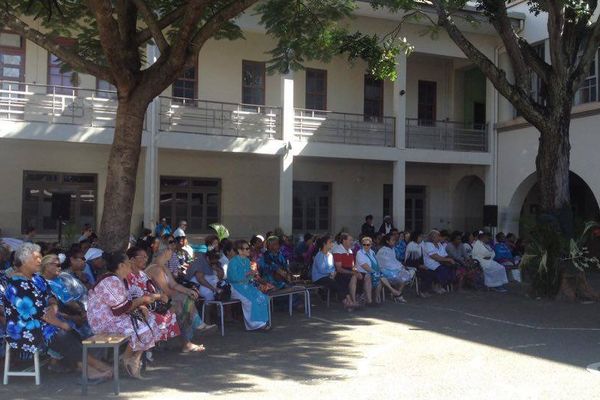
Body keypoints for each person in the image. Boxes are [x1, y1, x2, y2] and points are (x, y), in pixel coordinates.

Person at [5, 243, 112, 380]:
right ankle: (90, 367)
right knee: (62, 332)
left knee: (68, 331)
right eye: (36, 258)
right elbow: (36, 313)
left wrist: (54, 305)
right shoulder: (17, 285)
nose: (40, 261)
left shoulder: (36, 278)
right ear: (25, 261)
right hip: (25, 328)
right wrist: (60, 323)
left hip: (45, 321)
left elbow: (50, 295)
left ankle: (87, 367)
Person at [87, 251, 163, 378]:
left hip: (114, 318)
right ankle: (128, 359)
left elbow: (124, 305)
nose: (131, 264)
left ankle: (132, 358)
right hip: (103, 322)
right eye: (128, 262)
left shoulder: (119, 279)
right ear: (121, 265)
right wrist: (142, 300)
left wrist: (141, 305)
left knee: (149, 320)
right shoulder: (110, 280)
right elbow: (121, 308)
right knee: (143, 326)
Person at [145, 249, 215, 351]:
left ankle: (191, 335)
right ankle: (196, 328)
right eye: (168, 253)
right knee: (183, 303)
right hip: (156, 302)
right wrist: (184, 295)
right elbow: (167, 291)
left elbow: (174, 285)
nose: (170, 254)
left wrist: (188, 291)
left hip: (165, 299)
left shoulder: (163, 268)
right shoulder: (155, 269)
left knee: (185, 302)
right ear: (163, 254)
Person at [126, 247, 181, 344]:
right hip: (137, 307)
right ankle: (146, 347)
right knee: (156, 317)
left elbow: (151, 290)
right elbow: (131, 297)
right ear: (132, 259)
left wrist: (160, 296)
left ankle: (152, 345)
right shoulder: (128, 276)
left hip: (150, 304)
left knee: (171, 310)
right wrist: (157, 297)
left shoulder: (143, 274)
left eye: (146, 257)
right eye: (142, 257)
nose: (145, 260)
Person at [40, 254, 93, 339]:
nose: (60, 268)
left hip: (80, 313)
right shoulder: (41, 284)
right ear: (47, 266)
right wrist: (74, 317)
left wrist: (83, 313)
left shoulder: (63, 277)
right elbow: (47, 311)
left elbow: (76, 297)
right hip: (60, 322)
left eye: (60, 265)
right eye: (57, 265)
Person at [227, 240, 270, 331]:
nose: (248, 250)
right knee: (250, 301)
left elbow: (249, 277)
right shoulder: (233, 262)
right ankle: (255, 325)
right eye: (246, 249)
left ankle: (262, 321)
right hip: (236, 288)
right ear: (239, 250)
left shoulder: (247, 261)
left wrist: (252, 274)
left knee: (262, 297)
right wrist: (247, 274)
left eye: (248, 248)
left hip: (247, 286)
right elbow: (232, 278)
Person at [311, 235, 357, 310]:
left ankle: (348, 302)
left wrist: (333, 272)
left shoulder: (330, 255)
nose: (332, 244)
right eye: (330, 242)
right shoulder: (319, 255)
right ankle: (347, 301)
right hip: (319, 278)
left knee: (341, 279)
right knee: (335, 283)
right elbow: (321, 270)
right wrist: (331, 273)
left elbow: (332, 267)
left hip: (329, 277)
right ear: (324, 244)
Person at [377, 233, 415, 302]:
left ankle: (397, 293)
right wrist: (399, 267)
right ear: (387, 241)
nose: (394, 241)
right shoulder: (383, 251)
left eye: (395, 240)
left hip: (393, 269)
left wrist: (401, 266)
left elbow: (394, 260)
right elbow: (387, 263)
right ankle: (397, 294)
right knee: (401, 275)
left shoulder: (392, 249)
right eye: (392, 240)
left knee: (405, 275)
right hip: (385, 270)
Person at [422, 230, 456, 294]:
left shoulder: (439, 244)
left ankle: (439, 285)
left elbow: (445, 255)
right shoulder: (428, 244)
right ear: (433, 237)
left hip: (440, 262)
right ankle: (436, 286)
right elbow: (435, 256)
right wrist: (448, 260)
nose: (439, 237)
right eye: (438, 236)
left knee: (450, 268)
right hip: (431, 263)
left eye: (439, 236)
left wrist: (450, 259)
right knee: (443, 269)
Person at [332, 233, 361, 307]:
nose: (352, 242)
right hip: (340, 273)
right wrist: (353, 273)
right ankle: (352, 301)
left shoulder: (350, 251)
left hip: (349, 271)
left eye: (352, 240)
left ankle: (354, 300)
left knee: (361, 276)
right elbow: (339, 269)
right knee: (352, 277)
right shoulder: (337, 250)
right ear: (344, 241)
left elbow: (353, 265)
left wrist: (357, 272)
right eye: (350, 240)